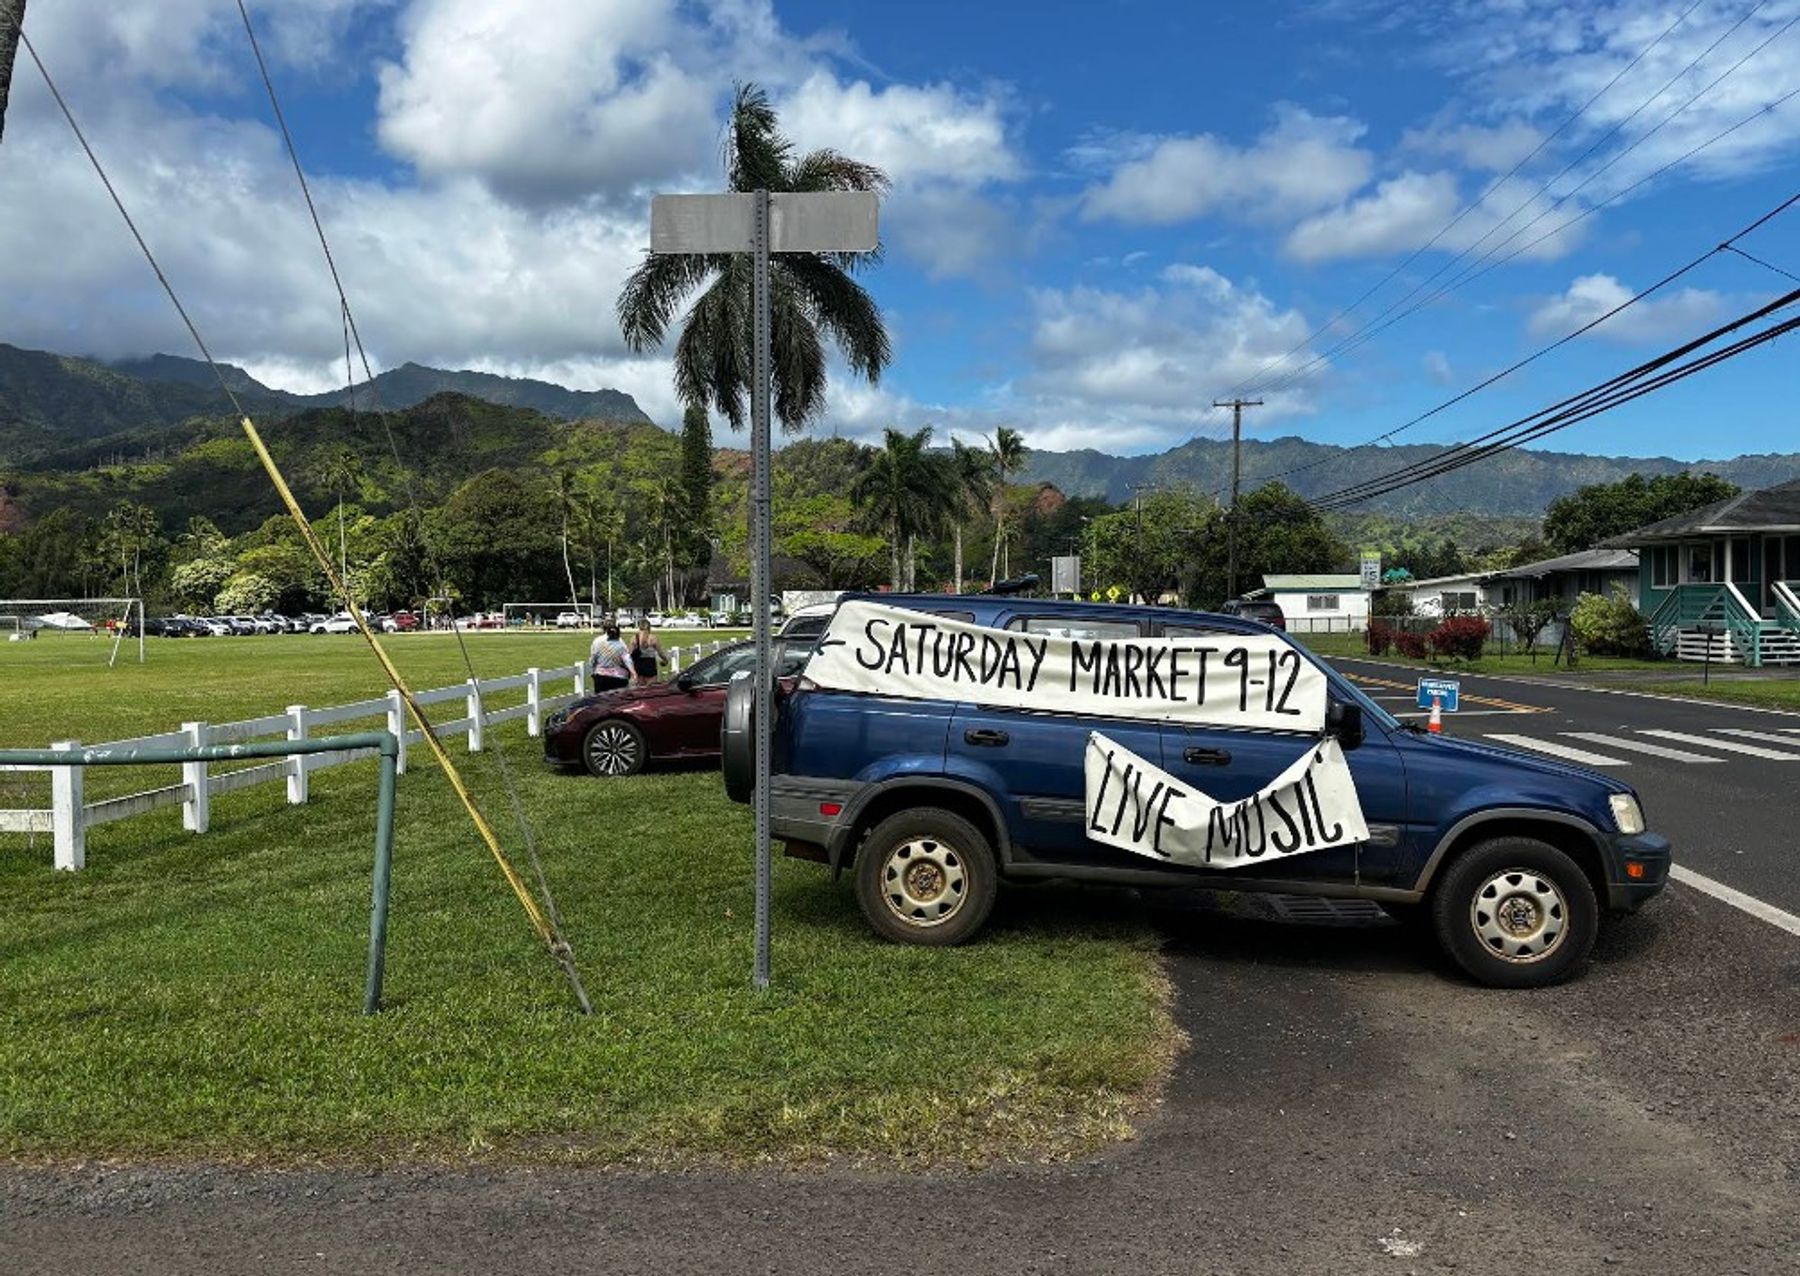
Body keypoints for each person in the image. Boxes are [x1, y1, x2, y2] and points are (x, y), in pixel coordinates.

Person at [589, 623, 632, 693]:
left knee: (601, 698)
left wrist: (593, 670)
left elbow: (593, 658)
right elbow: (627, 659)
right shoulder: (620, 642)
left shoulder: (597, 641)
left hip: (601, 676)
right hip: (618, 676)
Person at [630, 619, 663, 684]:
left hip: (638, 664)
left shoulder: (634, 638)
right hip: (649, 664)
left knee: (640, 687)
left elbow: (630, 653)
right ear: (649, 627)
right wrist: (665, 660)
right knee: (651, 687)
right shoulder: (653, 638)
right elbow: (660, 653)